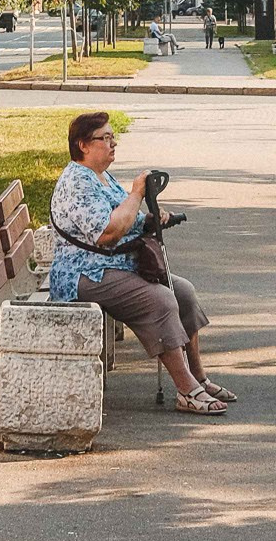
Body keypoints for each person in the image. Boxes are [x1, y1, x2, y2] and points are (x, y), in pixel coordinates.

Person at [47, 111, 234, 416]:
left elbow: (124, 217)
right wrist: (136, 193)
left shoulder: (100, 176)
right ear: (83, 145)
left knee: (183, 293)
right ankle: (186, 390)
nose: (113, 143)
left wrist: (149, 219)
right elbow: (107, 232)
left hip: (113, 266)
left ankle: (199, 376)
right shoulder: (77, 182)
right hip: (84, 273)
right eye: (105, 138)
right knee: (160, 300)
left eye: (113, 137)